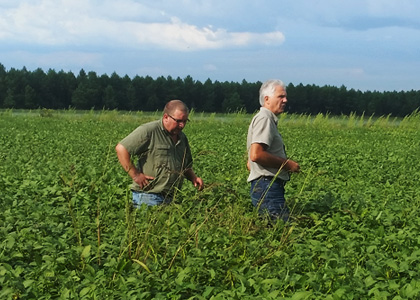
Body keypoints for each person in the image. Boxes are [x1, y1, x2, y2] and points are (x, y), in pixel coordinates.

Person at [116, 100, 203, 208]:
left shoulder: (182, 138)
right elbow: (121, 149)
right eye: (178, 121)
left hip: (171, 198)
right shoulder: (149, 131)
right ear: (166, 117)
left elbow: (186, 165)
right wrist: (136, 175)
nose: (182, 125)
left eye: (185, 121)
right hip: (149, 196)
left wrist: (193, 178)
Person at [247, 79, 300, 222]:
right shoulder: (265, 119)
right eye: (280, 96)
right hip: (268, 187)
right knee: (280, 231)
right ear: (267, 99)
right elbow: (256, 155)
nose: (285, 100)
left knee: (271, 232)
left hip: (265, 185)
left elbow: (249, 163)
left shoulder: (264, 119)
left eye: (285, 96)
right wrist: (287, 164)